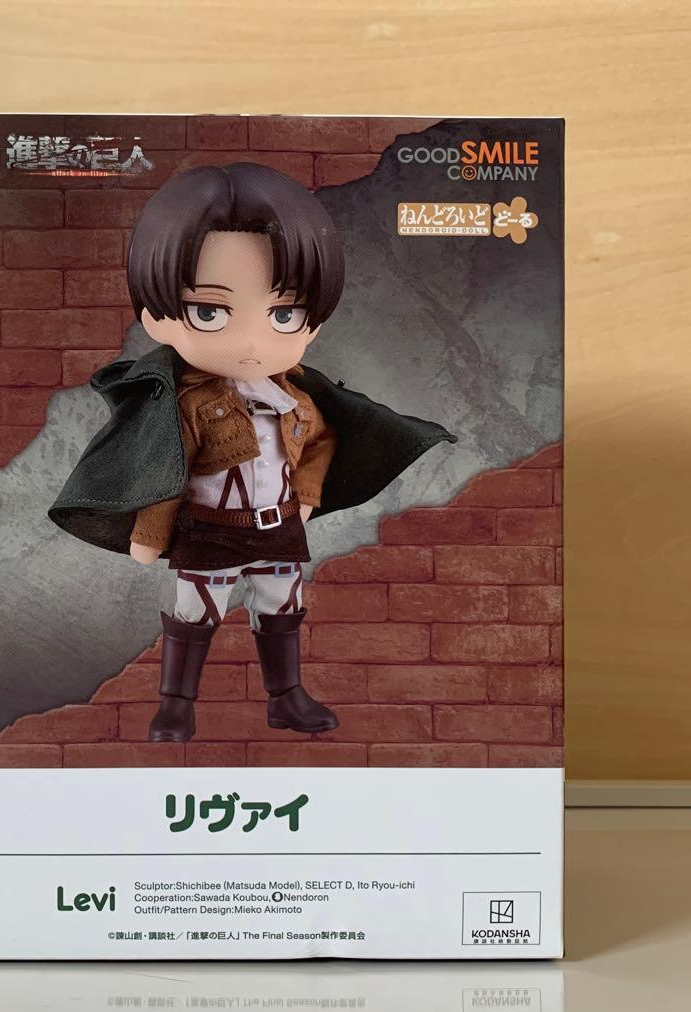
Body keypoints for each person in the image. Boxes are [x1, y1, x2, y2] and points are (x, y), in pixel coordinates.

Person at [50, 163, 455, 742]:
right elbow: (164, 471)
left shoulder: (297, 399)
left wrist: (306, 496)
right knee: (195, 611)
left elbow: (320, 443)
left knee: (282, 605)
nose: (251, 340)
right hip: (211, 529)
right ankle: (176, 703)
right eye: (209, 312)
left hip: (278, 528)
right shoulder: (188, 406)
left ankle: (286, 695)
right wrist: (150, 532)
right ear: (157, 318)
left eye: (284, 314)